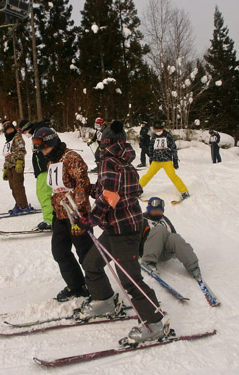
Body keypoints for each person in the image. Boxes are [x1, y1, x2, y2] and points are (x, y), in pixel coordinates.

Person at [75, 120, 171, 344]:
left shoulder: (110, 161)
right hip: (116, 228)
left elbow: (110, 196)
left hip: (124, 231)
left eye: (101, 142)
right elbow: (111, 190)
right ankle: (104, 300)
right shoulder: (122, 162)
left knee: (130, 279)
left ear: (105, 143)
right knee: (92, 263)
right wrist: (87, 187)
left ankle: (155, 323)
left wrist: (92, 219)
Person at [32, 127, 93, 301]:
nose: (42, 152)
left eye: (43, 148)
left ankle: (98, 289)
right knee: (59, 251)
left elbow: (82, 184)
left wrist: (80, 212)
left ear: (51, 142)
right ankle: (77, 286)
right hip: (60, 215)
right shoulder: (51, 162)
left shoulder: (71, 158)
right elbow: (56, 190)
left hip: (76, 214)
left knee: (86, 254)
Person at [139, 197, 201, 279]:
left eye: (160, 210)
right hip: (147, 250)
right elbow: (134, 238)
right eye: (155, 210)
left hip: (164, 253)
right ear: (149, 209)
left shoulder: (164, 219)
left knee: (174, 237)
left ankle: (193, 267)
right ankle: (148, 262)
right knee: (159, 229)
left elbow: (173, 235)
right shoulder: (142, 220)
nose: (157, 212)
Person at [139, 122, 190, 201]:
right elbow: (151, 148)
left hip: (167, 160)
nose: (158, 131)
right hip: (156, 161)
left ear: (163, 128)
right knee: (147, 175)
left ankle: (184, 191)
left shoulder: (168, 136)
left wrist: (175, 160)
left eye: (159, 129)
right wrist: (151, 158)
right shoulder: (154, 137)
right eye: (156, 129)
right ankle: (136, 190)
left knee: (173, 176)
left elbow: (173, 148)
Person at [20, 120, 53, 230]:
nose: (25, 134)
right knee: (41, 193)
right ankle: (50, 218)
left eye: (23, 131)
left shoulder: (40, 133)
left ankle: (50, 220)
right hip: (41, 169)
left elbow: (48, 149)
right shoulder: (36, 133)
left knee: (44, 194)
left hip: (44, 168)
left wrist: (48, 162)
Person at [3, 120, 30, 214]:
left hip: (16, 165)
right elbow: (6, 155)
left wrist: (19, 162)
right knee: (12, 186)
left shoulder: (17, 138)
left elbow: (22, 150)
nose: (9, 131)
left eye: (11, 129)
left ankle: (23, 206)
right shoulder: (8, 142)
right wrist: (5, 168)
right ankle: (18, 203)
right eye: (7, 130)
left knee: (18, 185)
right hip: (10, 166)